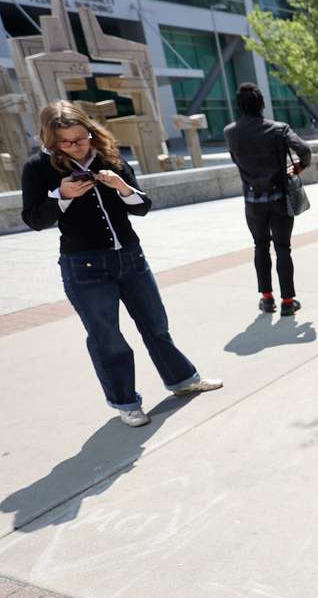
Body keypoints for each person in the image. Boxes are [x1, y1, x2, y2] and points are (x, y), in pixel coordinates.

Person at [21, 101, 223, 427]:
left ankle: (182, 380)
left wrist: (122, 187)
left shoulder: (107, 155)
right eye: (67, 142)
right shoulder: (38, 167)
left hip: (130, 257)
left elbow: (142, 206)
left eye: (82, 137)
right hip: (84, 266)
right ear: (51, 140)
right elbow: (33, 219)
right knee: (107, 338)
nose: (77, 146)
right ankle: (126, 402)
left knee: (156, 326)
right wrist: (60, 195)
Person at [224, 83, 312, 316]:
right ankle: (287, 301)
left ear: (239, 106)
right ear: (261, 103)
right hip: (279, 199)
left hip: (253, 202)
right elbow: (304, 151)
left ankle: (266, 298)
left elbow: (236, 159)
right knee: (283, 248)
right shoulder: (279, 129)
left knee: (260, 246)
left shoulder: (230, 132)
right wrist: (298, 168)